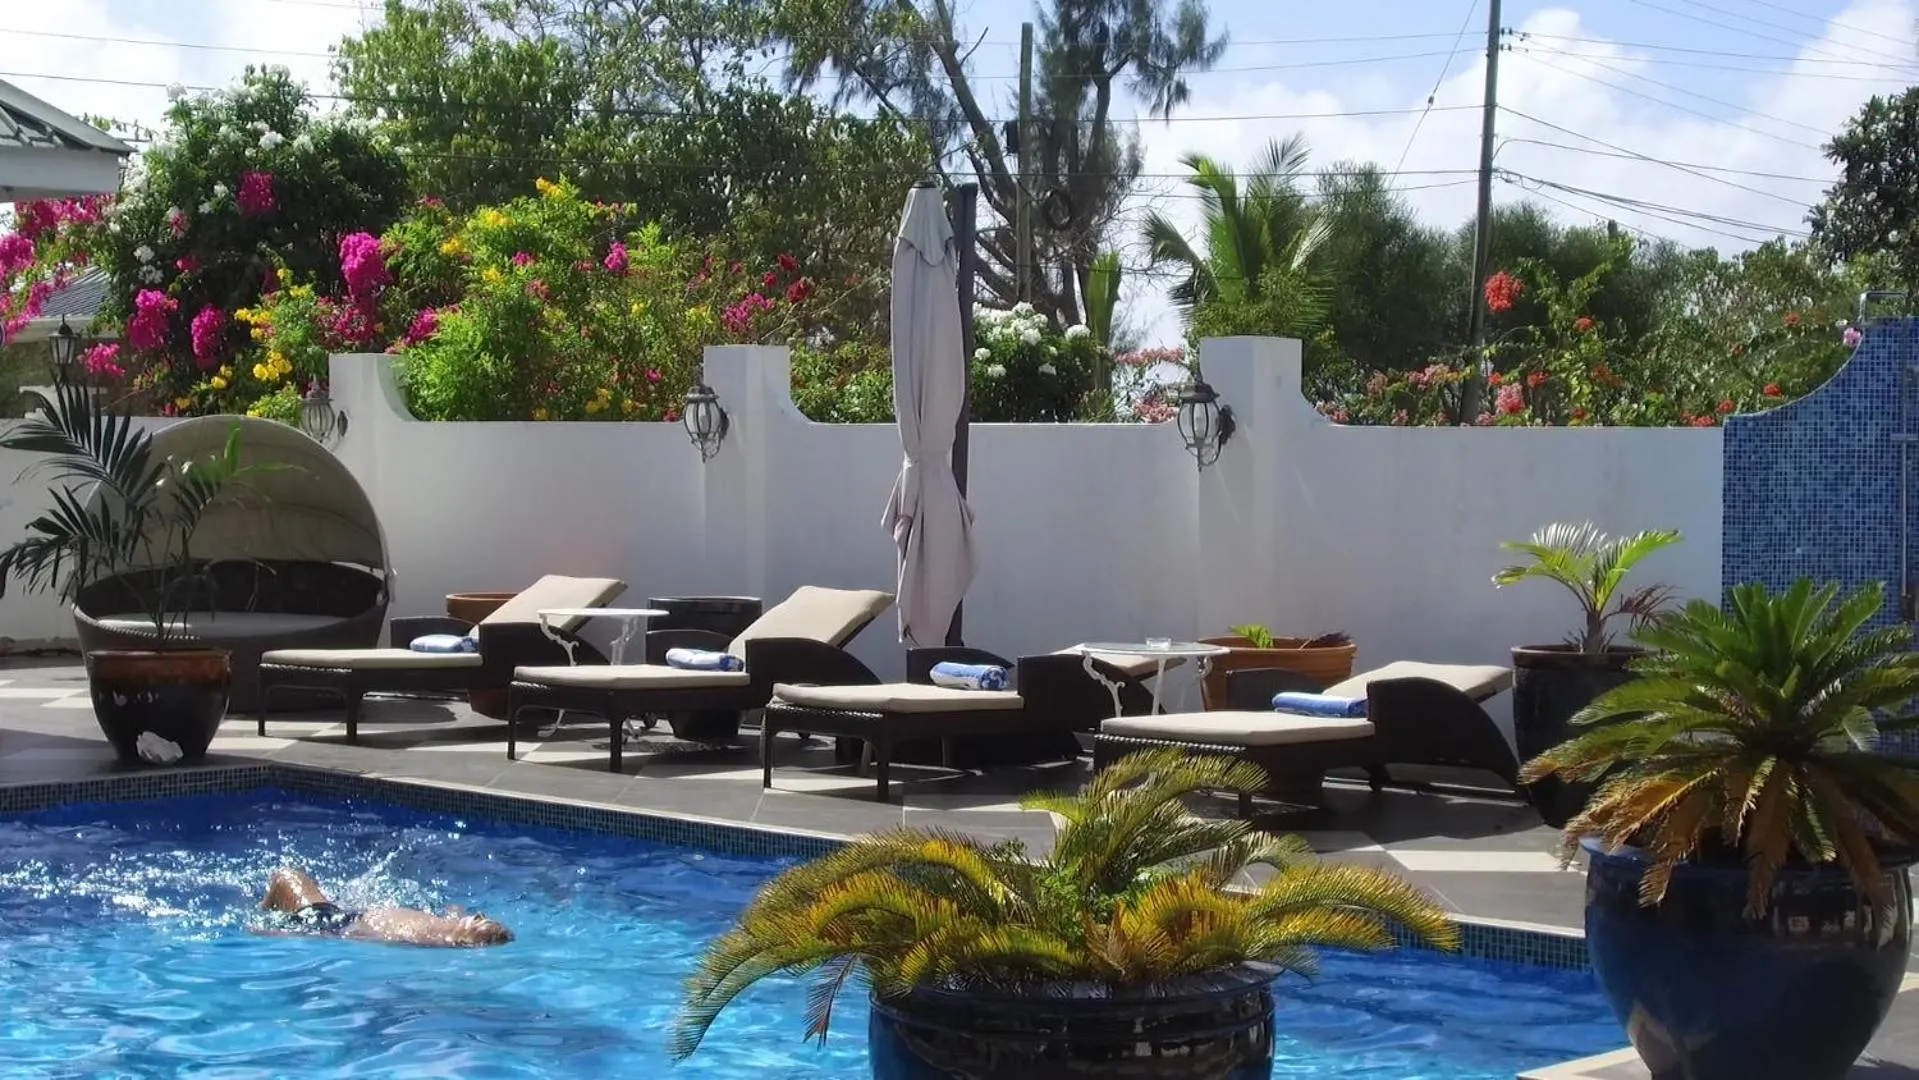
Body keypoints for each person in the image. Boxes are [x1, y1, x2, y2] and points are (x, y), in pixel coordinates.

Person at [256, 867, 512, 948]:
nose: (478, 915)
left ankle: (263, 911)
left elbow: (361, 935)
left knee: (285, 877)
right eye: (480, 916)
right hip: (349, 915)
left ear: (466, 940)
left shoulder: (422, 938)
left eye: (478, 920)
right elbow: (456, 913)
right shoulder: (452, 927)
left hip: (332, 922)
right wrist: (455, 912)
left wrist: (291, 934)